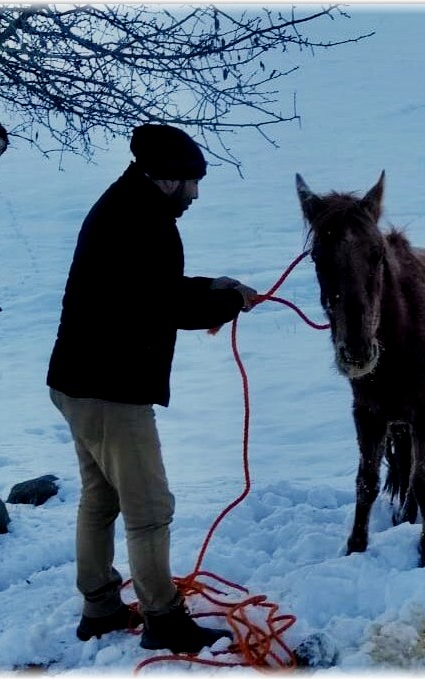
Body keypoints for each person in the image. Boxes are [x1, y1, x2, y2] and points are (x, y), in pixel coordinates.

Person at [47, 123, 259, 653]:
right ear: (166, 179)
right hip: (110, 392)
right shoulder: (145, 222)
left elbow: (151, 289)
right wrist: (228, 303)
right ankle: (163, 619)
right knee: (149, 508)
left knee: (101, 497)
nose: (195, 193)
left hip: (77, 382)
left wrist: (214, 287)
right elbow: (163, 305)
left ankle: (99, 605)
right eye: (191, 182)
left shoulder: (126, 207)